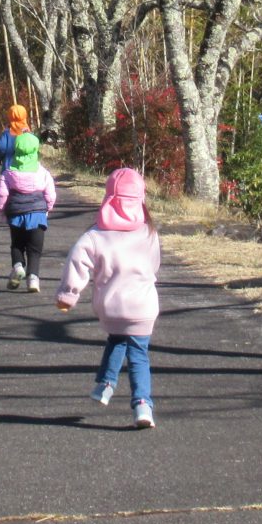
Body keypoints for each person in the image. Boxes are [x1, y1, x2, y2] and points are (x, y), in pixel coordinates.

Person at [56, 168, 161, 429]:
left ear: (108, 198)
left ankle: (105, 385)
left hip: (112, 306)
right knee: (139, 354)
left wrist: (69, 294)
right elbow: (154, 265)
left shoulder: (95, 236)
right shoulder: (149, 232)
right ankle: (142, 405)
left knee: (116, 338)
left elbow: (76, 263)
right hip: (143, 305)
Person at [0, 131, 56, 292]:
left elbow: (2, 194)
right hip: (37, 215)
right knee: (34, 250)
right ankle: (33, 278)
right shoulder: (43, 173)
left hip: (16, 214)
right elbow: (50, 194)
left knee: (17, 245)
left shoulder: (8, 173)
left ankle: (18, 266)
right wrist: (47, 208)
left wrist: (1, 210)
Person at [0, 104, 30, 171]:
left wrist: (0, 158)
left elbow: (0, 147)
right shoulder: (29, 133)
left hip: (10, 168)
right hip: (27, 168)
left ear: (10, 117)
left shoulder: (7, 133)